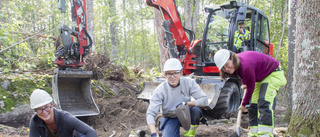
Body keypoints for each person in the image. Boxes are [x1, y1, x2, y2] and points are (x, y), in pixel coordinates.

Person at [213, 49, 287, 137]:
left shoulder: (245, 64)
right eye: (223, 68)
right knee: (254, 105)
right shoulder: (237, 64)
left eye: (227, 65)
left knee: (264, 102)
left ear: (232, 58)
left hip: (272, 73)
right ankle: (254, 132)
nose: (227, 69)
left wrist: (243, 104)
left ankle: (265, 133)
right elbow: (242, 74)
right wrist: (244, 83)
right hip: (260, 77)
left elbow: (250, 88)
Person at [146, 58, 208, 137]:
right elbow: (150, 113)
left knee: (196, 111)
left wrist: (187, 104)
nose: (172, 77)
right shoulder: (160, 90)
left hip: (186, 114)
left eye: (175, 73)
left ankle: (189, 134)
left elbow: (204, 100)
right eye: (169, 74)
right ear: (165, 75)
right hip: (170, 117)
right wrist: (153, 133)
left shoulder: (189, 83)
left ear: (181, 73)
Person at [29, 89, 97, 137]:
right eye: (39, 109)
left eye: (47, 107)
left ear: (52, 105)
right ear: (35, 111)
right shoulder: (35, 120)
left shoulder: (65, 118)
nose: (44, 111)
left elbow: (91, 132)